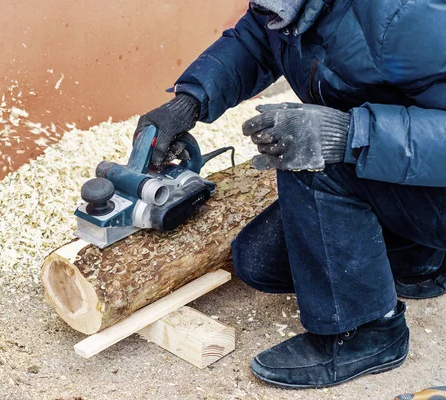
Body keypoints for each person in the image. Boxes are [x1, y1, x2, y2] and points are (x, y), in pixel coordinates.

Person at [134, 0, 446, 389]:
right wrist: (189, 102)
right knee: (259, 262)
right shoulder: (288, 6)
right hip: (414, 177)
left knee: (308, 157)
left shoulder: (408, 13)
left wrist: (348, 135)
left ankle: (367, 332)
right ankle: (420, 258)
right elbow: (254, 44)